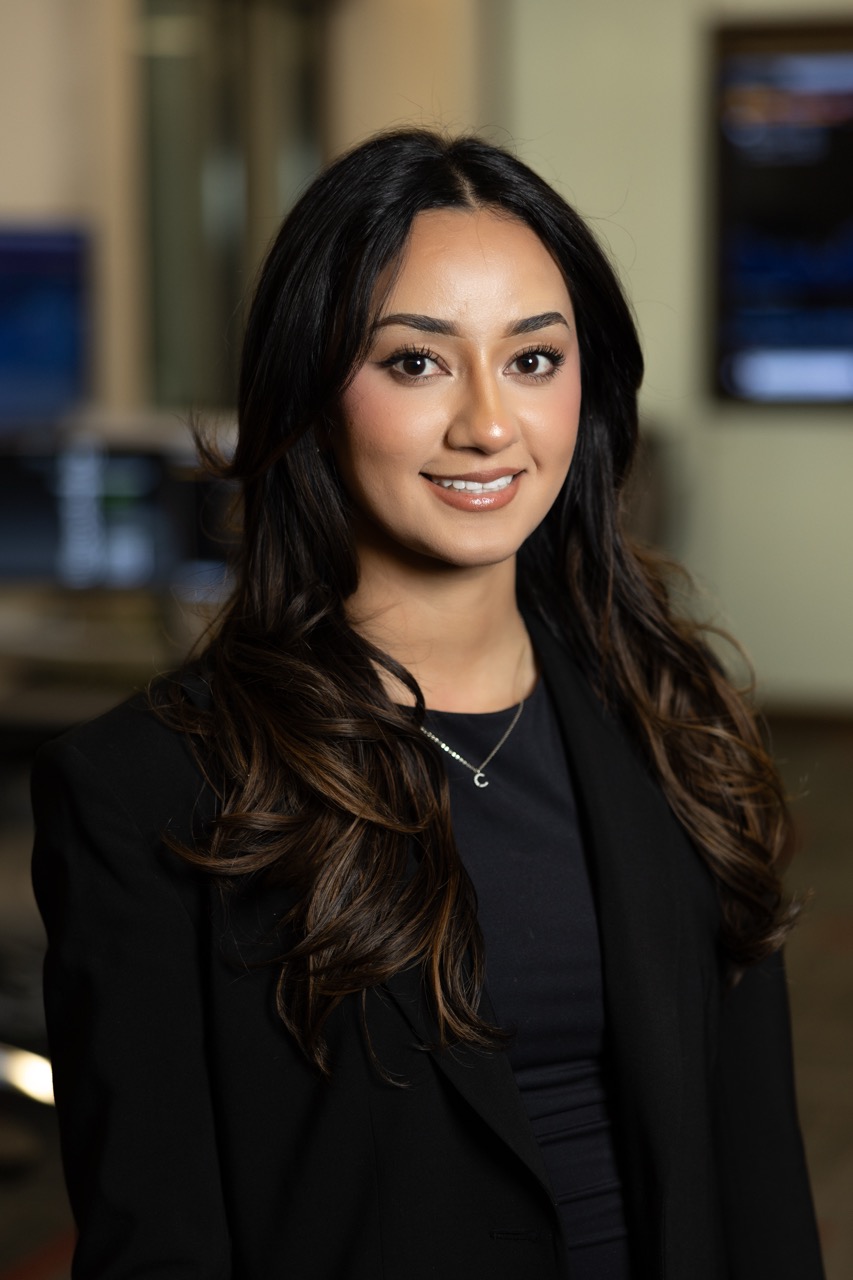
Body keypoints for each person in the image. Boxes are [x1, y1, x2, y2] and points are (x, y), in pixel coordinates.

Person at [32, 129, 824, 1280]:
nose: (488, 424)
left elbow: (758, 1184)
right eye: (417, 362)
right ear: (309, 385)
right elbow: (160, 1240)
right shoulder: (150, 787)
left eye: (534, 360)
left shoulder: (678, 726)